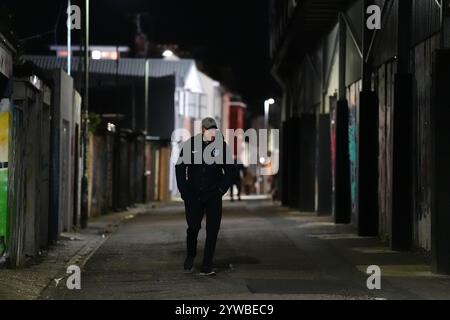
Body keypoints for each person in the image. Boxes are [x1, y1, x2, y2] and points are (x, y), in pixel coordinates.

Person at [175, 117, 234, 276]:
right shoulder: (191, 145)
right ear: (203, 130)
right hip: (193, 195)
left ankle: (207, 265)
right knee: (193, 227)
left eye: (215, 129)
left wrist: (221, 189)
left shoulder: (221, 147)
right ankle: (190, 255)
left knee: (213, 230)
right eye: (210, 130)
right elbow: (180, 168)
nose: (213, 132)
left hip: (213, 195)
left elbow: (230, 171)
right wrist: (184, 190)